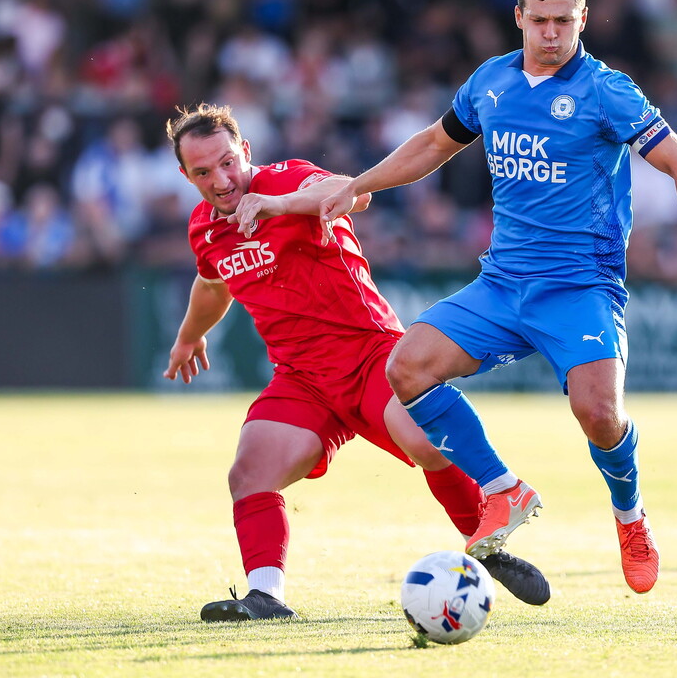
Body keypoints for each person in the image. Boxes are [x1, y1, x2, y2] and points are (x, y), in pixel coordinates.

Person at [321, 0, 677, 595]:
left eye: (563, 21)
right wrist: (359, 184)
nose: (551, 32)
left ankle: (630, 515)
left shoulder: (607, 91)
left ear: (583, 20)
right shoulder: (490, 82)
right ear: (518, 16)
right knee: (406, 367)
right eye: (540, 19)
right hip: (503, 283)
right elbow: (433, 144)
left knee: (599, 413)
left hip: (581, 286)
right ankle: (503, 489)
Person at [163, 103, 550, 621]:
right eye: (203, 172)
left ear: (246, 151)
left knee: (427, 444)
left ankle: (487, 548)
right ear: (185, 175)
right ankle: (266, 596)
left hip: (372, 357)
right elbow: (213, 285)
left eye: (228, 162)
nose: (221, 180)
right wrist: (189, 337)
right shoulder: (204, 229)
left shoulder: (288, 179)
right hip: (301, 380)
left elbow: (355, 193)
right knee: (249, 473)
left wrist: (279, 205)